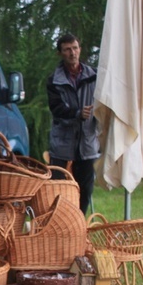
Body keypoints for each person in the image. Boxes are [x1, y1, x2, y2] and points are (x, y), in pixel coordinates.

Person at [46, 33, 100, 215]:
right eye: (67, 49)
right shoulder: (54, 81)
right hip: (63, 145)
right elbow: (57, 109)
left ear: (80, 50)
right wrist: (77, 113)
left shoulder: (95, 76)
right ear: (60, 53)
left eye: (75, 48)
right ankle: (60, 225)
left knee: (85, 189)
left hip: (87, 144)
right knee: (59, 190)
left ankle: (79, 225)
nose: (72, 53)